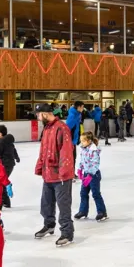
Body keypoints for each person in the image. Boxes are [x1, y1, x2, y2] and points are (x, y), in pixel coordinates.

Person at [34, 104, 75, 246]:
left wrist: (64, 171)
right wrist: (40, 166)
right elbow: (43, 150)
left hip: (61, 175)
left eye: (38, 115)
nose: (38, 118)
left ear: (44, 114)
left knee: (63, 205)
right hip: (48, 173)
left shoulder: (61, 128)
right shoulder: (47, 129)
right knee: (46, 203)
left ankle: (67, 233)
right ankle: (49, 225)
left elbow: (66, 151)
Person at [74, 131, 107, 222]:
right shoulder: (83, 149)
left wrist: (90, 175)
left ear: (89, 141)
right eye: (81, 141)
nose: (81, 142)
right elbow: (82, 161)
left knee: (96, 194)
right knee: (83, 193)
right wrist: (80, 169)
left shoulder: (94, 150)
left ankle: (102, 212)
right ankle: (83, 211)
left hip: (94, 175)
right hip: (86, 174)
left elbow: (95, 164)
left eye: (83, 141)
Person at [0, 125, 20, 208]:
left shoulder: (0, 142)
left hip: (4, 164)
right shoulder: (8, 141)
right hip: (10, 164)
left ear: (0, 134)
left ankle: (3, 202)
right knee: (3, 182)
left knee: (2, 183)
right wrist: (17, 158)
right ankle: (4, 202)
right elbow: (14, 150)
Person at [65, 101, 84, 168]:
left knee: (73, 157)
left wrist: (78, 137)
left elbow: (76, 127)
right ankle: (70, 172)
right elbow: (68, 129)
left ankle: (71, 172)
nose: (83, 108)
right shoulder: (73, 115)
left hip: (74, 140)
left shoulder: (77, 114)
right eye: (82, 107)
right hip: (70, 141)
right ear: (78, 107)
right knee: (71, 158)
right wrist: (70, 140)